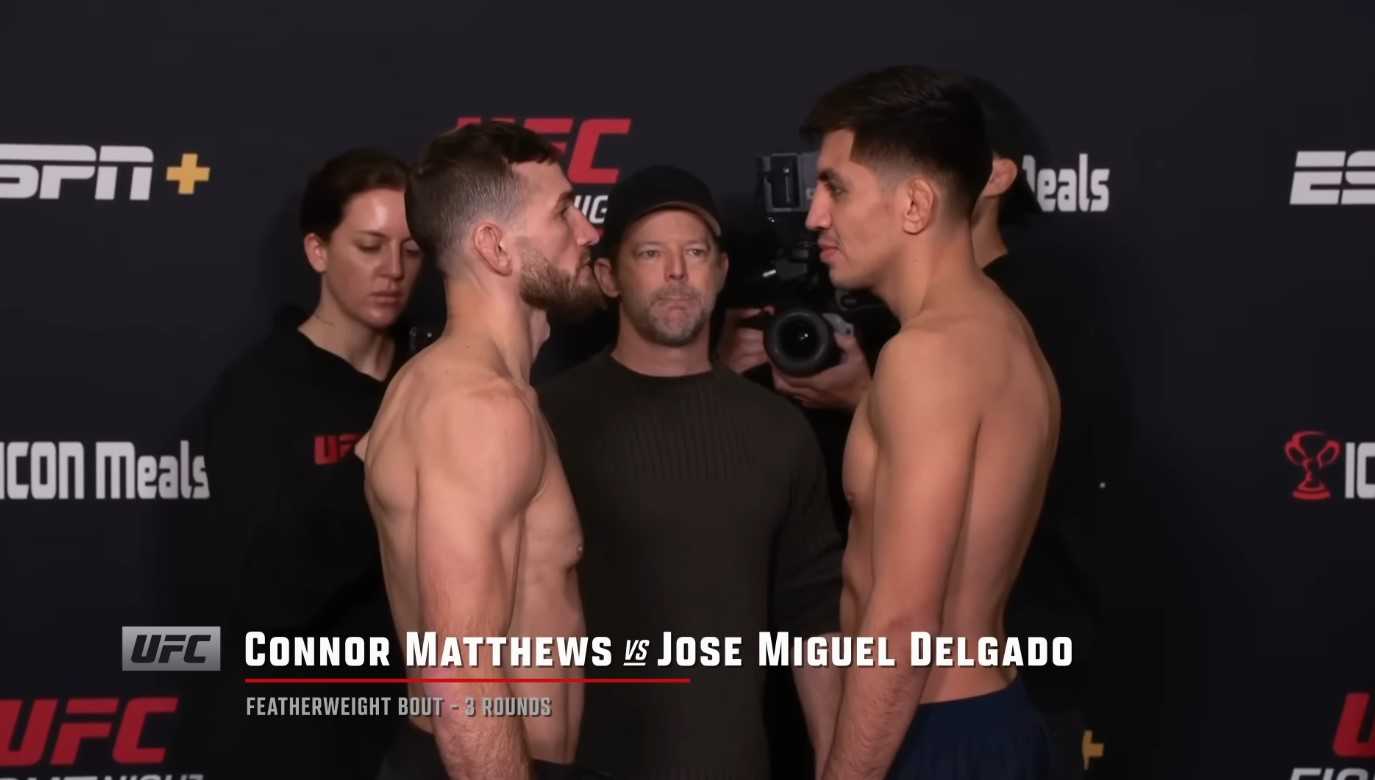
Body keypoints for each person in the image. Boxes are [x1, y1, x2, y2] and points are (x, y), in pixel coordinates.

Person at [537, 165, 844, 779]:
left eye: (695, 252)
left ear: (722, 270)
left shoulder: (779, 430)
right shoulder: (547, 421)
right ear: (608, 275)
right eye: (651, 253)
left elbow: (815, 621)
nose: (677, 271)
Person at [802, 66, 1059, 779]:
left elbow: (904, 625)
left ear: (914, 204)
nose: (815, 216)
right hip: (977, 721)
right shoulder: (1000, 329)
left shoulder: (928, 355)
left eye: (836, 188)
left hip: (931, 732)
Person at [357, 121, 602, 779]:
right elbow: (460, 674)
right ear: (495, 246)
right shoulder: (480, 410)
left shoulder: (436, 385)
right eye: (563, 211)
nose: (588, 231)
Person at [185, 148, 423, 778]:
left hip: (413, 730)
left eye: (411, 250)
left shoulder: (431, 385)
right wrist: (377, 458)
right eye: (369, 247)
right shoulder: (261, 392)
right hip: (292, 736)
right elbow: (262, 587)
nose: (393, 269)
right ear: (318, 251)